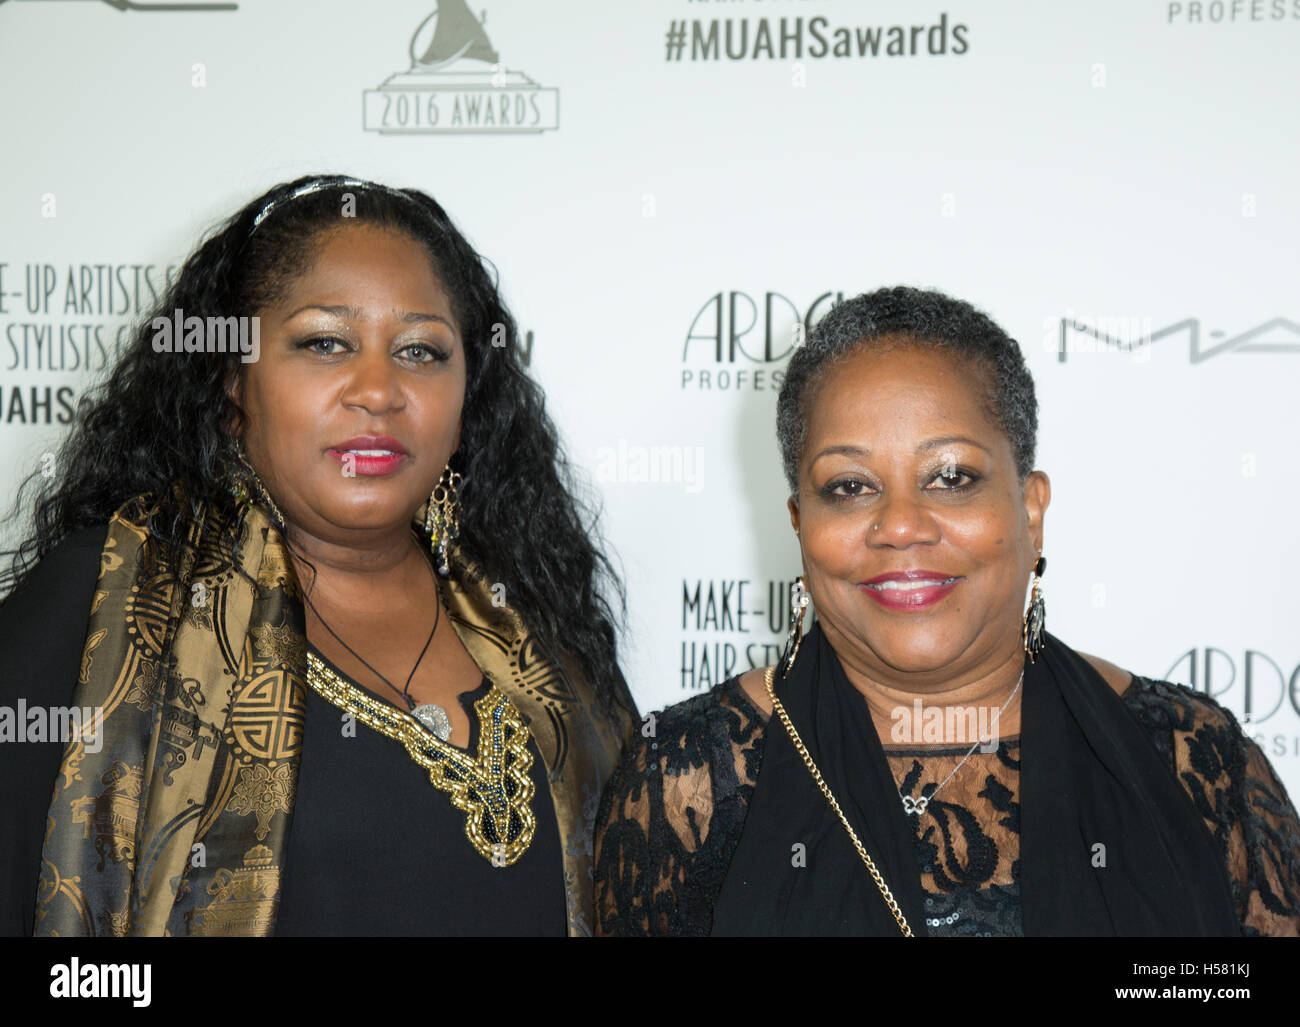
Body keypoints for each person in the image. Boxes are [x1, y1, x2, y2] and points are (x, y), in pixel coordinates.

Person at [0, 174, 637, 937]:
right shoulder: (111, 604)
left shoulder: (540, 633)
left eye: (421, 351)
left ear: (469, 399)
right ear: (233, 381)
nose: (378, 389)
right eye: (325, 342)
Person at [593, 285, 1300, 937]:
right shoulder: (688, 779)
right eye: (849, 486)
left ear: (1031, 508)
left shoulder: (1192, 761)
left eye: (951, 477)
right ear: (798, 522)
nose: (901, 525)